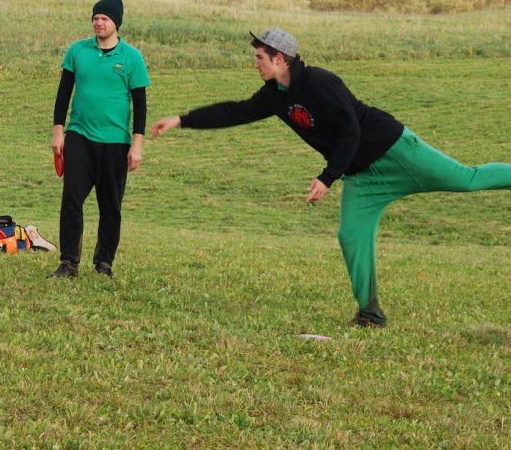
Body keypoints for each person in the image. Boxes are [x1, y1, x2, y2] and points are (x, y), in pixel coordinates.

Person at [149, 28, 511, 327]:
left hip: (395, 151)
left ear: (280, 58)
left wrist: (327, 177)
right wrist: (183, 120)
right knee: (351, 235)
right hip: (362, 176)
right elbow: (237, 111)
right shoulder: (276, 95)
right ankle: (370, 313)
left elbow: (351, 131)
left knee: (467, 179)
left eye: (259, 56)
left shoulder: (321, 82)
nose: (254, 63)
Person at [49, 0, 151, 278]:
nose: (98, 22)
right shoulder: (77, 51)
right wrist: (59, 132)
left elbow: (140, 106)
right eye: (95, 18)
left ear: (116, 22)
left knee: (110, 206)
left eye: (104, 18)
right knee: (71, 197)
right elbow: (63, 94)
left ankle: (104, 263)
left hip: (116, 142)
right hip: (79, 135)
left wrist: (137, 145)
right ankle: (69, 262)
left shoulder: (132, 58)